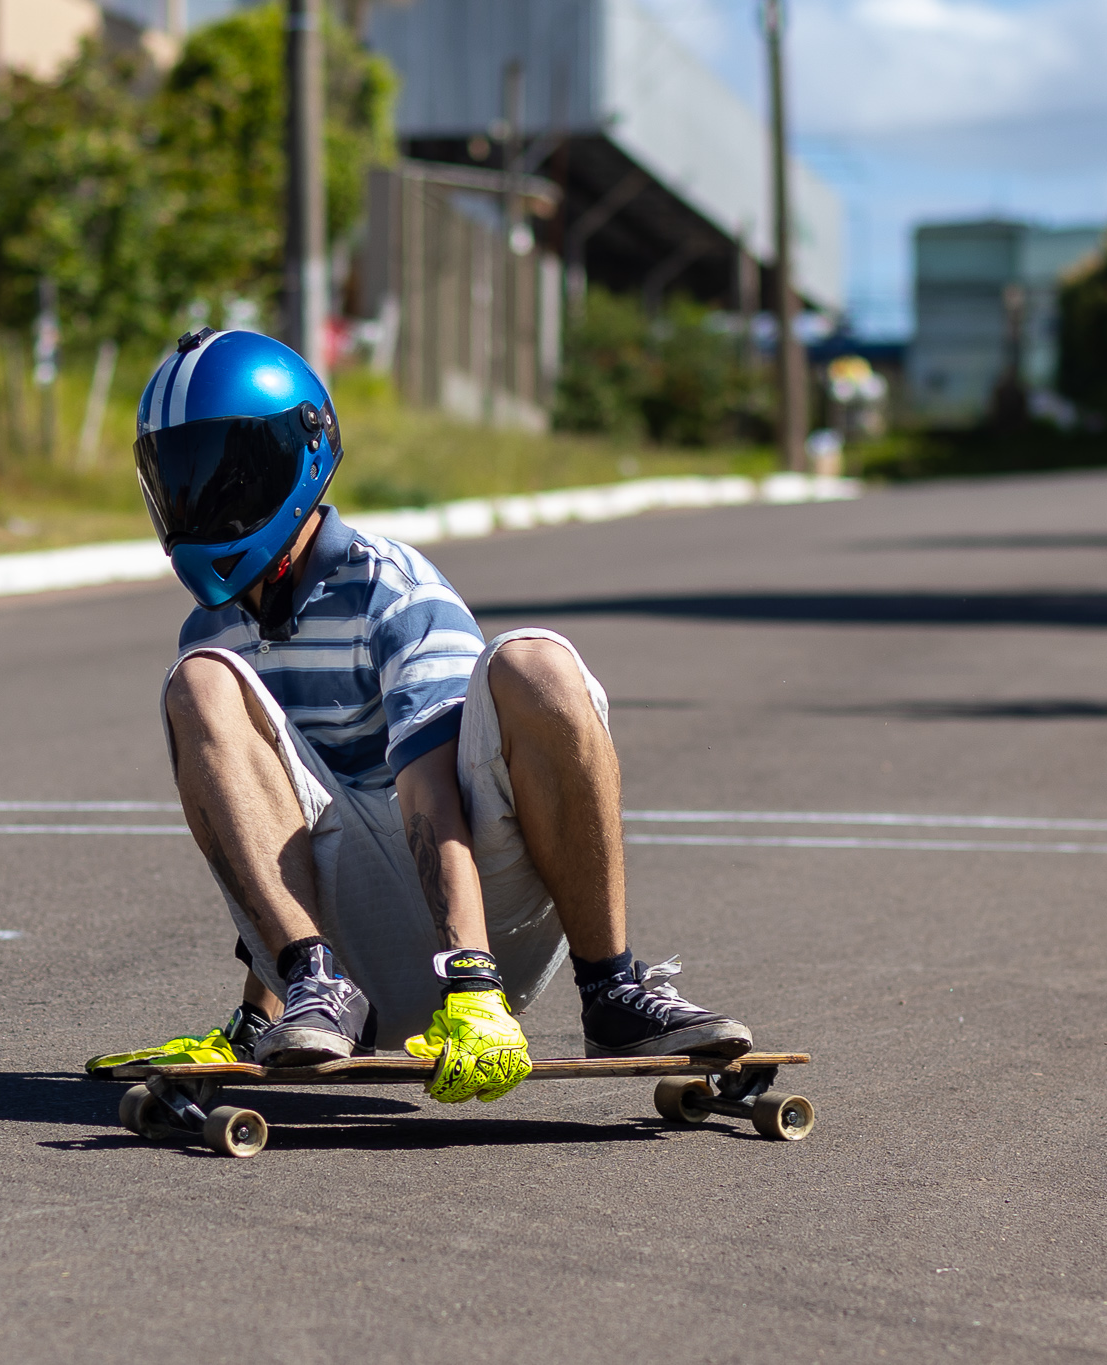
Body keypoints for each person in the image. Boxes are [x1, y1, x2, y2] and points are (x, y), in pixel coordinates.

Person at [88, 329, 750, 1103]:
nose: (200, 500)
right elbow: (280, 825)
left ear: (295, 454)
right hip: (343, 972)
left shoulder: (393, 588)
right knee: (197, 683)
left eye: (223, 472)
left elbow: (433, 795)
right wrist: (254, 1019)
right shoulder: (213, 638)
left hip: (487, 931)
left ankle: (612, 987)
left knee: (534, 662)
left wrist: (470, 980)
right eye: (182, 476)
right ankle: (314, 985)